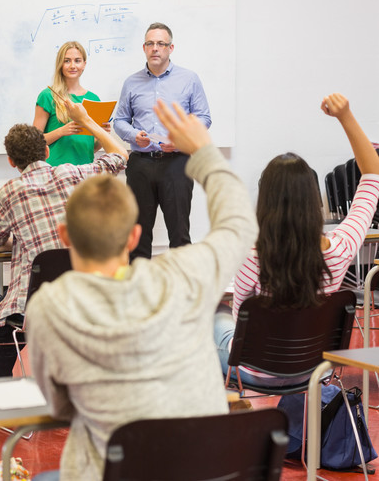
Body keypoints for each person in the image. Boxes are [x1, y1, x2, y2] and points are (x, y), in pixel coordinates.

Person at [27, 100, 257, 481]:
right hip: (204, 471)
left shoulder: (50, 306)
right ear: (136, 235)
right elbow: (238, 225)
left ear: (65, 236)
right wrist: (204, 153)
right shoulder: (185, 276)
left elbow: (60, 406)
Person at [214, 93, 379, 387]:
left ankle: (236, 423)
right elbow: (372, 174)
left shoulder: (251, 256)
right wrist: (346, 116)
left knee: (216, 318)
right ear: (314, 200)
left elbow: (242, 322)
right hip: (317, 369)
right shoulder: (341, 248)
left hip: (254, 369)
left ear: (264, 202)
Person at [0, 99, 128, 378]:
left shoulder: (10, 191)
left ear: (11, 161)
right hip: (80, 299)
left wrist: (17, 241)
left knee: (3, 319)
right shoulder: (73, 173)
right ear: (47, 151)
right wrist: (86, 121)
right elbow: (120, 155)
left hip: (33, 308)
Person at [114, 22, 211, 260]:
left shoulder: (189, 79)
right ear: (144, 47)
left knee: (179, 235)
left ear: (171, 47)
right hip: (140, 165)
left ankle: (182, 293)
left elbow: (204, 118)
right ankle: (139, 292)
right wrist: (133, 135)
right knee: (137, 235)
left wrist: (180, 140)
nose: (155, 48)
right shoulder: (131, 82)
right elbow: (119, 121)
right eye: (150, 43)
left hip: (178, 163)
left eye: (161, 44)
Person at [33, 41, 110, 166]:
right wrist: (61, 131)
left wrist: (103, 135)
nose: (72, 65)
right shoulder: (47, 96)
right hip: (55, 172)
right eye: (67, 61)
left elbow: (90, 148)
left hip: (85, 171)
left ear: (84, 64)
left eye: (77, 61)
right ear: (60, 64)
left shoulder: (94, 99)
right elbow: (34, 142)